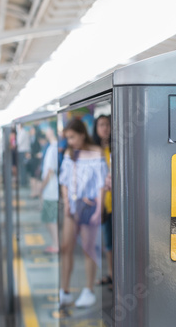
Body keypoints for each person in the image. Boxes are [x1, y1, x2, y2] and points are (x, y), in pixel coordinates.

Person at [59, 118, 107, 308]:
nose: (70, 141)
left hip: (89, 205)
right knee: (66, 247)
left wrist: (98, 209)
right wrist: (66, 203)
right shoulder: (70, 153)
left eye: (72, 137)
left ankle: (89, 290)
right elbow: (64, 180)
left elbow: (102, 184)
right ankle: (65, 290)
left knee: (89, 248)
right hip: (72, 205)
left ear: (81, 134)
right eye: (67, 138)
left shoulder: (96, 152)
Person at [92, 115, 113, 288]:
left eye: (107, 124)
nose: (105, 128)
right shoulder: (94, 151)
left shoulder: (118, 148)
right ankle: (112, 274)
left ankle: (119, 276)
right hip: (103, 203)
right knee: (108, 241)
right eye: (101, 125)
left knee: (119, 241)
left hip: (117, 202)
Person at [39, 122, 59, 254]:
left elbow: (50, 171)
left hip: (51, 190)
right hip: (50, 189)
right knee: (48, 218)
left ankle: (56, 244)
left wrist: (42, 187)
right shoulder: (51, 147)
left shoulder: (53, 148)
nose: (46, 131)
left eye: (47, 129)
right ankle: (55, 243)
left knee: (51, 219)